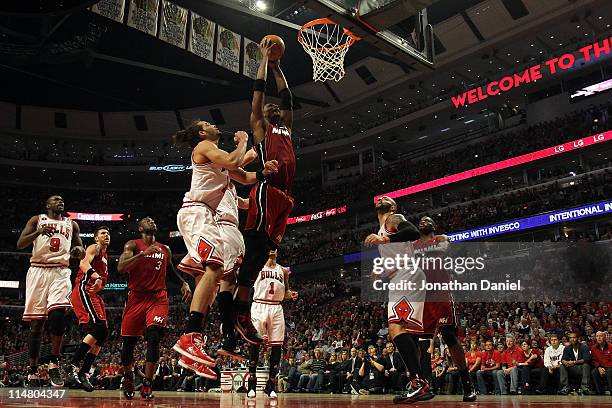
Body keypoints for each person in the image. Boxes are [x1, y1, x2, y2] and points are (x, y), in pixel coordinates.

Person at [172, 121, 267, 370]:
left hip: (205, 216)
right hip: (197, 213)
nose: (213, 124)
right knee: (216, 272)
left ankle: (192, 344)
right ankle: (192, 336)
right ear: (202, 133)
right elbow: (235, 162)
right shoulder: (205, 146)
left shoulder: (220, 166)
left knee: (213, 275)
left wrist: (265, 174)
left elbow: (243, 175)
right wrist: (244, 140)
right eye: (207, 123)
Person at [234, 38, 297, 343]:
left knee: (262, 256)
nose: (273, 106)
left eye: (276, 106)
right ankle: (238, 311)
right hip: (267, 189)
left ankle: (238, 308)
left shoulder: (286, 124)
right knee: (255, 251)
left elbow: (287, 97)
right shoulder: (261, 127)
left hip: (284, 195)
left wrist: (277, 67)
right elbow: (259, 94)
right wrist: (262, 60)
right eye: (269, 106)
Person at [117, 217, 192, 399]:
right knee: (128, 345)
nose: (151, 221)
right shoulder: (132, 245)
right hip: (136, 298)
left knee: (154, 336)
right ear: (141, 228)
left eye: (153, 220)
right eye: (147, 220)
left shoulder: (165, 248)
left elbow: (170, 271)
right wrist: (142, 254)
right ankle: (128, 377)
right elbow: (120, 267)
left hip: (158, 298)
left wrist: (183, 283)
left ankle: (147, 383)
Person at [16, 195, 86, 387]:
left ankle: (54, 362)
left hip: (60, 272)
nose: (60, 201)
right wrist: (38, 232)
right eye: (55, 199)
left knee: (57, 316)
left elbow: (79, 247)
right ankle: (32, 370)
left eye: (62, 199)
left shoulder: (72, 224)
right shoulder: (37, 220)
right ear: (47, 205)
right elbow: (20, 244)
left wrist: (78, 251)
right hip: (38, 270)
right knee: (37, 324)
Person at [246, 249, 298, 398]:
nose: (272, 249)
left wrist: (291, 294)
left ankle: (271, 385)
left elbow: (286, 292)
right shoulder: (257, 266)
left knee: (277, 346)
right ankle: (252, 384)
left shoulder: (283, 270)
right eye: (269, 247)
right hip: (259, 306)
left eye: (275, 247)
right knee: (255, 344)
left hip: (276, 307)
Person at [67, 226, 111, 391]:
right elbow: (83, 263)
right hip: (84, 289)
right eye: (102, 233)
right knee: (98, 327)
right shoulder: (94, 248)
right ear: (96, 238)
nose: (106, 235)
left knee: (104, 332)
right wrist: (97, 277)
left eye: (108, 233)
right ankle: (72, 365)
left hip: (95, 294)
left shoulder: (105, 255)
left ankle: (84, 372)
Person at [590, 331, 612, 395]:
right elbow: (593, 360)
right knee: (594, 372)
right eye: (597, 336)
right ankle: (599, 391)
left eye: (601, 336)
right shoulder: (593, 348)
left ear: (604, 337)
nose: (599, 338)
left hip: (609, 366)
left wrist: (604, 368)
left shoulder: (610, 347)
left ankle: (611, 390)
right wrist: (599, 367)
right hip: (599, 366)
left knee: (609, 371)